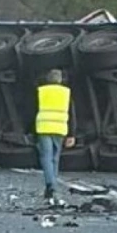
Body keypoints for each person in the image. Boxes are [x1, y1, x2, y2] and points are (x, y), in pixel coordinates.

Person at [35, 69, 76, 200]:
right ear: (60, 80)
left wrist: (29, 130)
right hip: (59, 128)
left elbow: (33, 111)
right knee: (55, 158)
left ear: (48, 79)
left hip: (43, 127)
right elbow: (72, 114)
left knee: (45, 157)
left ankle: (50, 185)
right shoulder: (66, 93)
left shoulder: (41, 92)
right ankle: (53, 185)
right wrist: (72, 134)